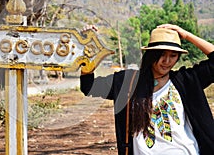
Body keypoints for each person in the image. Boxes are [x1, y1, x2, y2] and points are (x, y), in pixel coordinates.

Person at [80, 24, 214, 155]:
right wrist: (87, 50)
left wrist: (186, 35)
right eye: (161, 54)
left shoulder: (186, 80)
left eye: (173, 55)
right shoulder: (127, 83)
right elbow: (89, 86)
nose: (167, 61)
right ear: (151, 54)